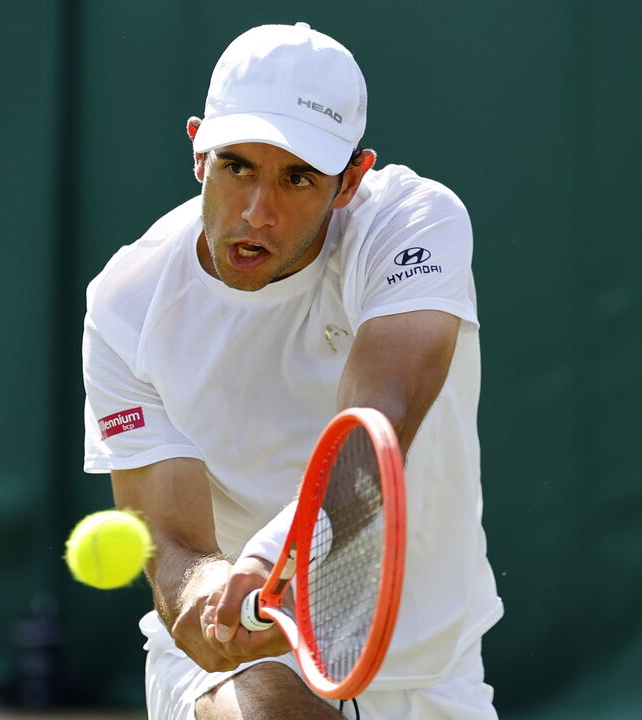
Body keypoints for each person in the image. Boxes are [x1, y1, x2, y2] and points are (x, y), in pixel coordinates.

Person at [82, 21, 503, 720]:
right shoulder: (125, 303)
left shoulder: (413, 224)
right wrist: (203, 594)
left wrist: (272, 561)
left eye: (297, 178)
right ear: (197, 151)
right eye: (237, 165)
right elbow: (173, 541)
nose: (257, 211)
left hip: (431, 670)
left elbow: (376, 423)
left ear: (351, 180)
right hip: (250, 672)